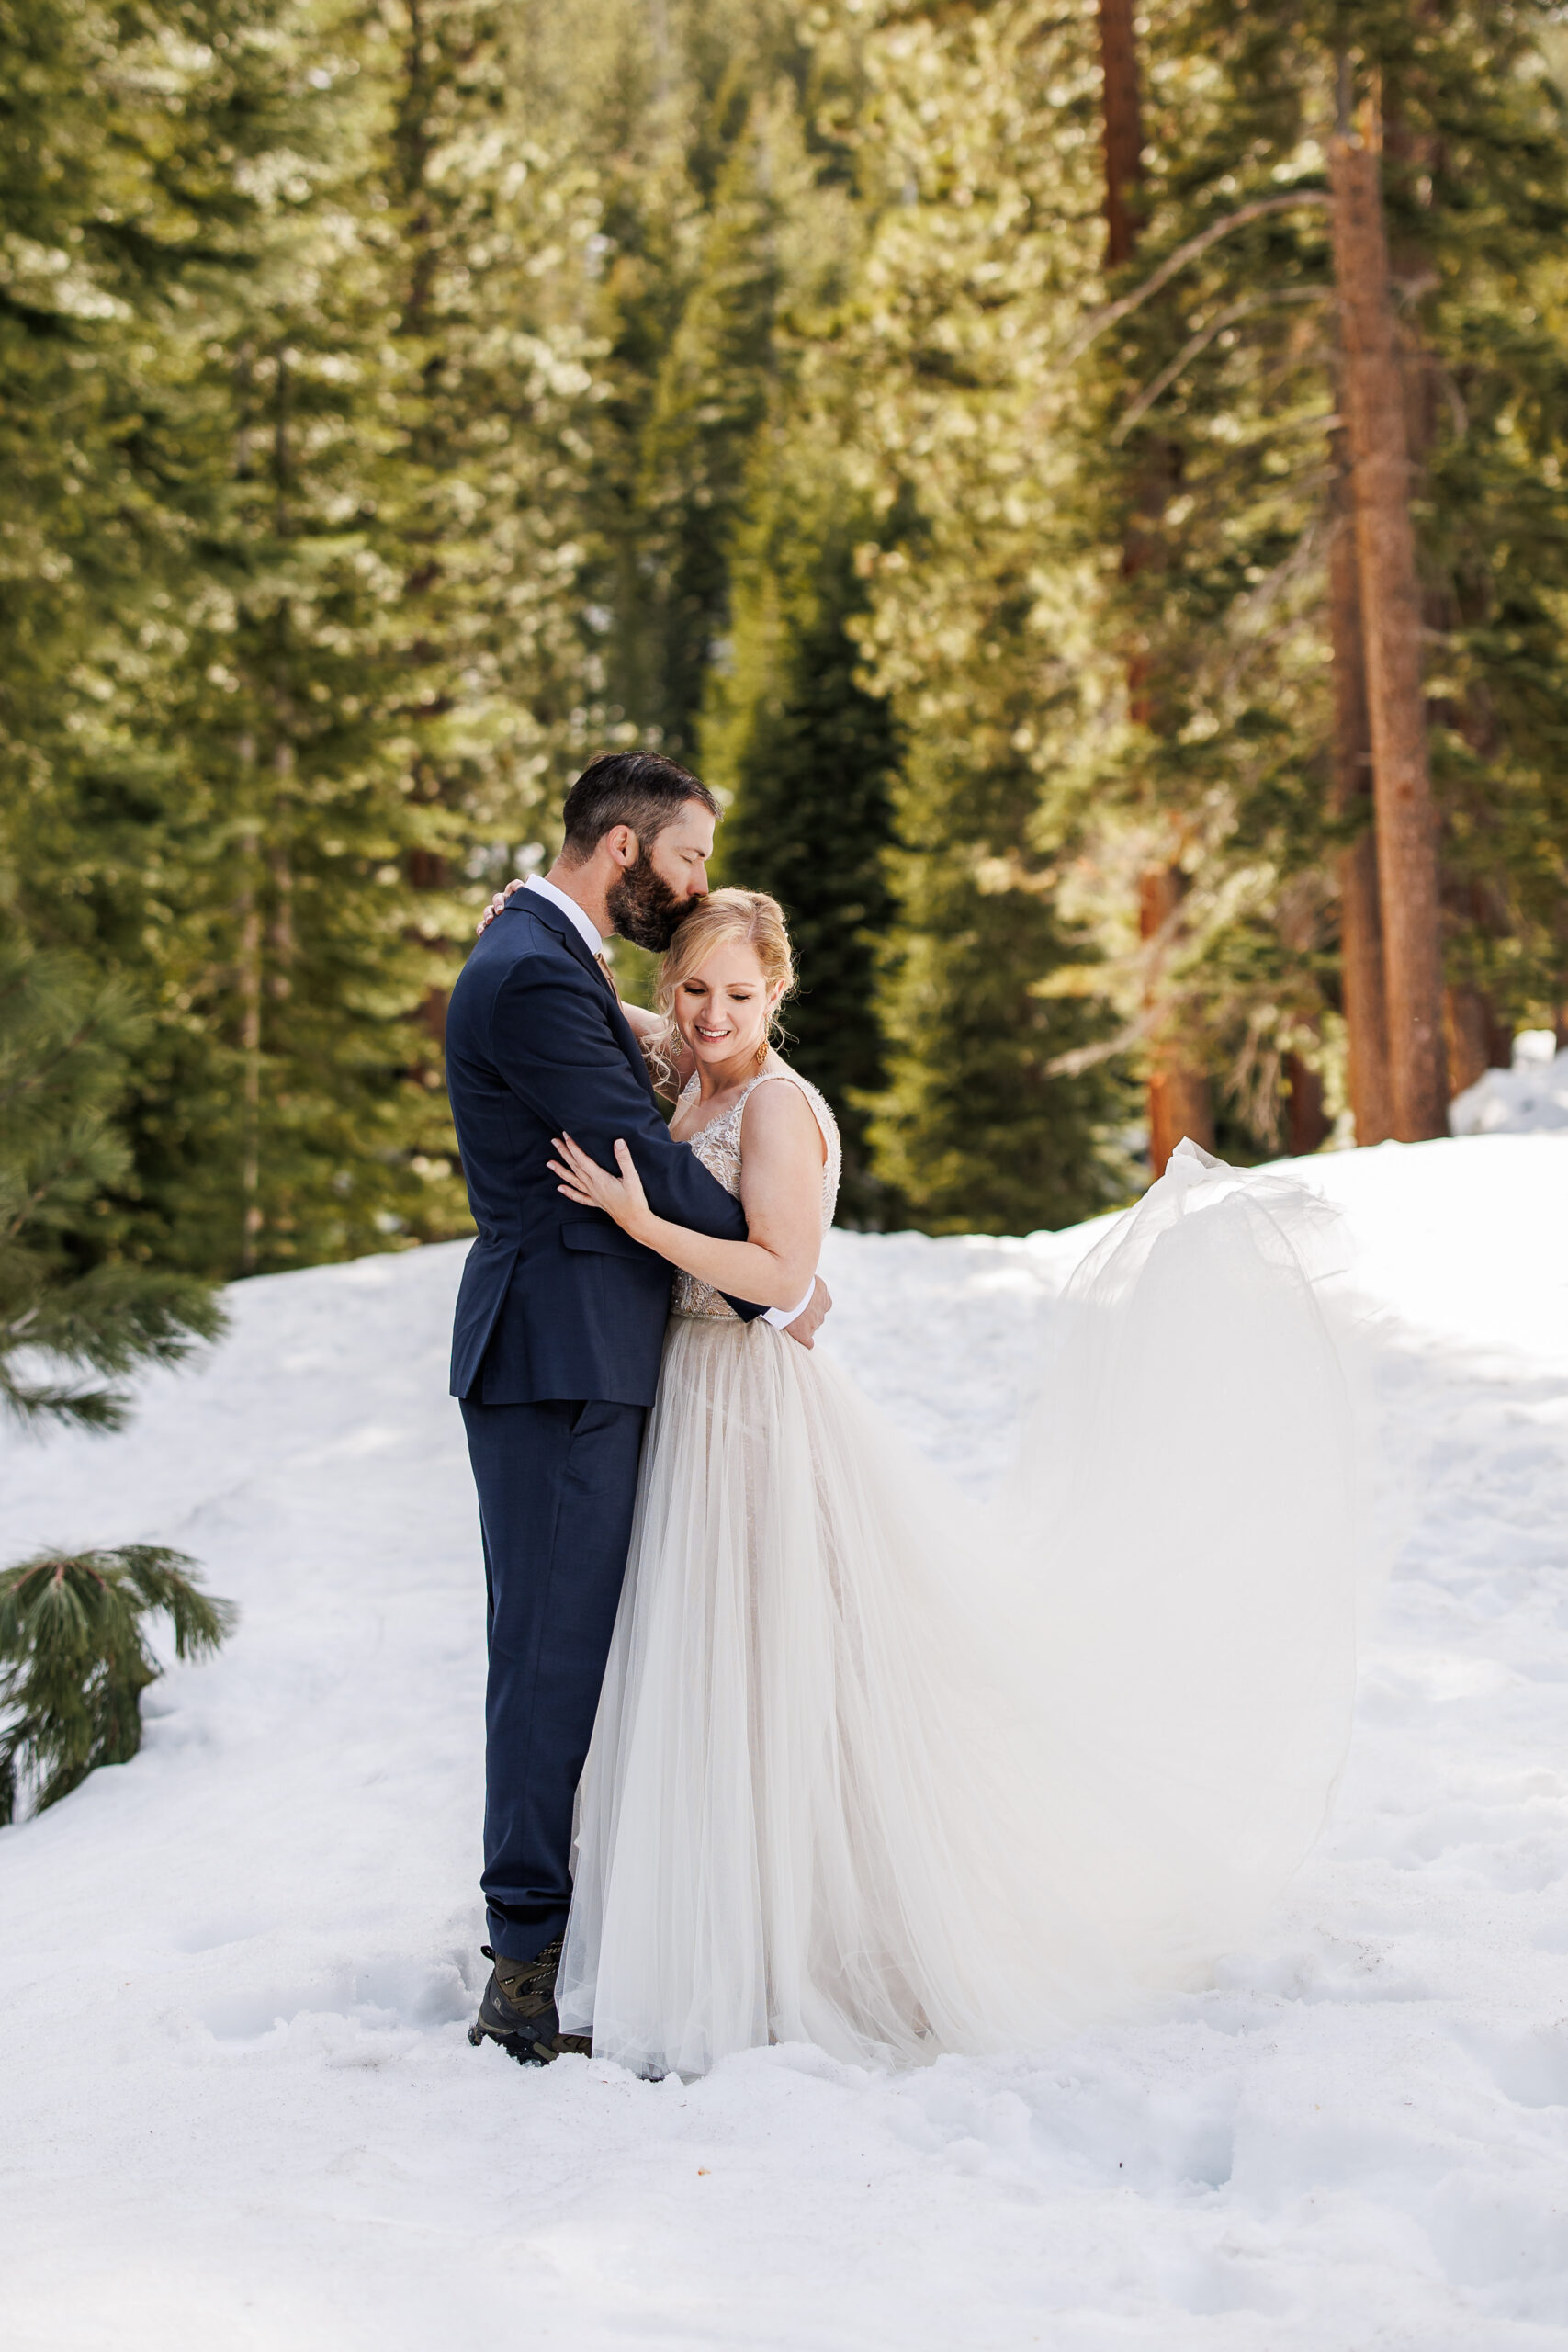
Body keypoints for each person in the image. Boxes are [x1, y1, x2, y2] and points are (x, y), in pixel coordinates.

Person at [542, 888, 1365, 2079]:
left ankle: (811, 1937)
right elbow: (634, 1020)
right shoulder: (701, 1073)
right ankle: (721, 1915)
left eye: (738, 993)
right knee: (713, 1671)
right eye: (693, 992)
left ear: (780, 995)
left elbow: (780, 1276)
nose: (710, 1013)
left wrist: (637, 1216)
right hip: (695, 1407)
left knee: (783, 1668)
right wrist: (551, 937)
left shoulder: (773, 1106)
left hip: (752, 1409)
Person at [444, 754, 829, 2065]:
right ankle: (523, 1965)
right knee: (550, 1660)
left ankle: (560, 1929)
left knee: (578, 1655)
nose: (699, 881)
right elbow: (640, 1158)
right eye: (690, 857)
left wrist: (769, 1272)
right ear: (623, 849)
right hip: (561, 1355)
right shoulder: (536, 971)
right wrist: (780, 1279)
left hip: (583, 1353)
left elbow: (642, 1052)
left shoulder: (545, 956)